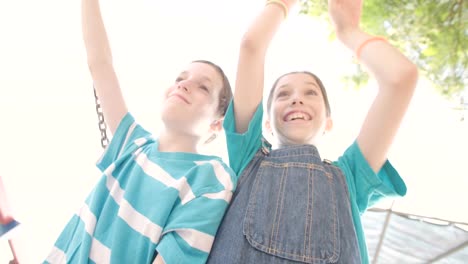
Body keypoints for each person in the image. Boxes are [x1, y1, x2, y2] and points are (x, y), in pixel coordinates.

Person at [207, 0, 418, 263]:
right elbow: (251, 47)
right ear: (268, 123)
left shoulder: (351, 175)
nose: (297, 99)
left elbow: (401, 78)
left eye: (310, 92)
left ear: (328, 122)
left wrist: (348, 30)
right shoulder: (247, 155)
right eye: (284, 94)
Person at [44, 0, 236, 263]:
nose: (184, 85)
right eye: (180, 79)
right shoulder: (133, 145)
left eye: (203, 87)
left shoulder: (211, 177)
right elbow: (100, 64)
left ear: (217, 123)